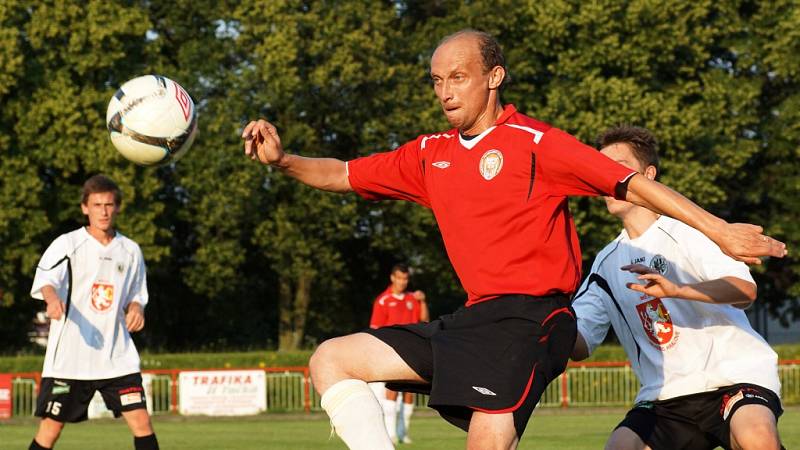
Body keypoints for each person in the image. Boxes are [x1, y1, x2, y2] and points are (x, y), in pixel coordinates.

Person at [241, 29, 786, 450]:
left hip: (531, 320)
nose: (445, 91)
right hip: (473, 319)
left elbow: (632, 184)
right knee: (331, 360)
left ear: (494, 76)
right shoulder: (431, 154)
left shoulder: (536, 143)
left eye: (458, 77)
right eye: (437, 80)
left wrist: (720, 231)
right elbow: (342, 174)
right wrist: (284, 160)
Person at [571, 125, 784, 450]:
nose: (608, 180)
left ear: (648, 175)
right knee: (620, 447)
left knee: (756, 437)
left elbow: (744, 291)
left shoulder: (693, 230)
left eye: (620, 168)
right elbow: (580, 344)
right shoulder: (605, 264)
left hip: (734, 378)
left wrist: (676, 290)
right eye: (603, 171)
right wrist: (538, 313)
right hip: (666, 398)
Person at [28, 175, 158, 450]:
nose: (104, 211)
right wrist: (52, 301)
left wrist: (136, 308)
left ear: (117, 207)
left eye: (109, 205)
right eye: (97, 205)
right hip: (70, 359)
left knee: (142, 423)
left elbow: (137, 294)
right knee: (50, 431)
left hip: (117, 357)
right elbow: (46, 282)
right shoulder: (67, 244)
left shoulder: (130, 250)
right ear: (85, 207)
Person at [368, 264, 428, 444]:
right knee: (392, 391)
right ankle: (391, 433)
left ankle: (403, 433)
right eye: (400, 278)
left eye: (406, 278)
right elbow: (375, 330)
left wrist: (423, 301)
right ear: (392, 278)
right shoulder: (383, 300)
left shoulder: (412, 298)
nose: (403, 282)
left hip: (413, 350)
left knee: (410, 393)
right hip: (391, 352)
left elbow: (424, 321)